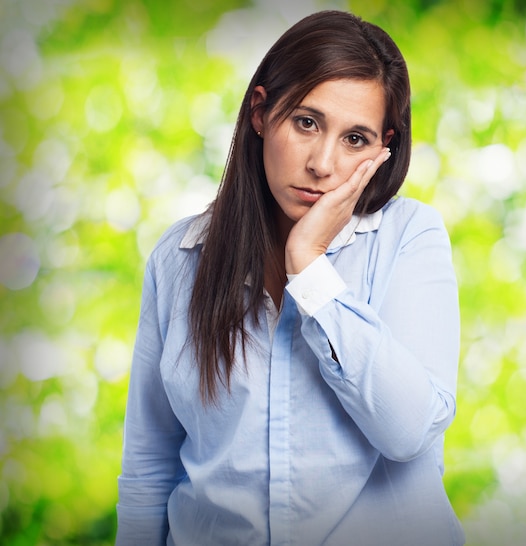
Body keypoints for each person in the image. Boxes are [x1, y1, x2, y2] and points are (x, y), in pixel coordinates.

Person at [115, 9, 464, 546]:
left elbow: (408, 431)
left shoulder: (409, 237)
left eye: (355, 139)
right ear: (260, 111)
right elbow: (148, 472)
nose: (323, 163)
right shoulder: (178, 260)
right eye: (307, 122)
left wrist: (311, 269)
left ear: (381, 150)